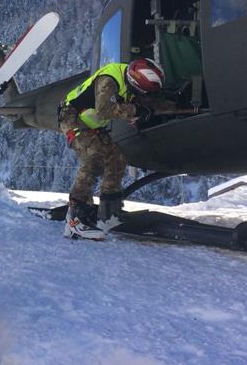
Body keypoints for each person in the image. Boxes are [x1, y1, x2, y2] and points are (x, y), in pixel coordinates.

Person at [58, 59, 171, 240]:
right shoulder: (109, 80)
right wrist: (135, 110)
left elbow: (145, 102)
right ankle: (75, 219)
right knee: (92, 156)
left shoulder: (131, 77)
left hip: (90, 121)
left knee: (116, 158)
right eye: (141, 92)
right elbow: (104, 110)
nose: (141, 95)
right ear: (134, 83)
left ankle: (109, 211)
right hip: (71, 116)